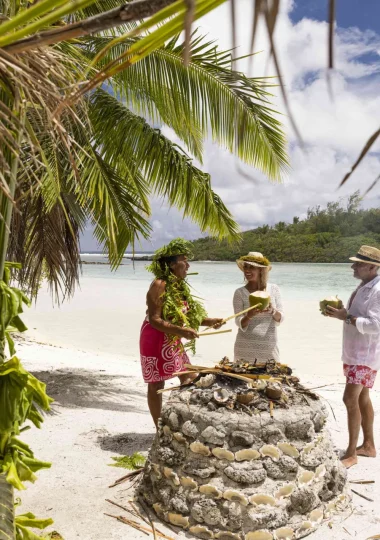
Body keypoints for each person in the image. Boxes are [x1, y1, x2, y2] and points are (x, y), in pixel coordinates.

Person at [140, 238, 223, 427]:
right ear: (171, 264)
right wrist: (180, 331)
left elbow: (186, 318)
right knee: (156, 384)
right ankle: (159, 428)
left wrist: (209, 321)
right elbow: (155, 319)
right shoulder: (159, 285)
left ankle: (181, 421)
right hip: (154, 338)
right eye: (183, 260)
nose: (188, 265)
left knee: (188, 377)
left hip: (172, 338)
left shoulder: (179, 286)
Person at [326, 245, 380, 468]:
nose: (353, 266)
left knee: (349, 399)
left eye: (357, 263)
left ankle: (351, 453)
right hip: (357, 353)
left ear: (371, 266)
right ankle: (368, 445)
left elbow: (376, 326)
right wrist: (343, 313)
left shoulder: (377, 291)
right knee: (362, 398)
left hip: (363, 355)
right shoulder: (364, 286)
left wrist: (345, 317)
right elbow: (357, 317)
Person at [233, 251, 284, 364]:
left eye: (252, 267)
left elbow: (281, 318)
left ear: (261, 270)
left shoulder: (274, 289)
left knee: (271, 380)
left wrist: (272, 311)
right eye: (246, 267)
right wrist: (249, 316)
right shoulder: (240, 292)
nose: (247, 270)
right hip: (244, 347)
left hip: (269, 347)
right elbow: (238, 321)